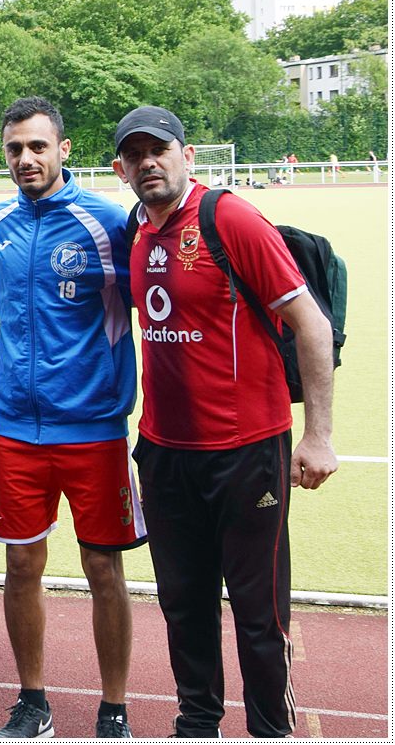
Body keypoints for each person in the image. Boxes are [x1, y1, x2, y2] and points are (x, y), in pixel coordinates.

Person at [113, 106, 337, 738]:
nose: (149, 162)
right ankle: (198, 724)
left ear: (188, 155)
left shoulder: (228, 218)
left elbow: (312, 326)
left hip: (247, 451)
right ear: (120, 167)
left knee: (259, 614)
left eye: (161, 150)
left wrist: (318, 435)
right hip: (164, 452)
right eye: (136, 154)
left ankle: (270, 730)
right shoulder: (133, 229)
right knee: (183, 606)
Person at [0, 97, 143, 738]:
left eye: (38, 146)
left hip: (93, 429)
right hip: (13, 426)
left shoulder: (108, 222)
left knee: (102, 568)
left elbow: (157, 297)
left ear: (64, 149)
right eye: (14, 149)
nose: (26, 158)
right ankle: (33, 700)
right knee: (20, 565)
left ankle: (112, 706)